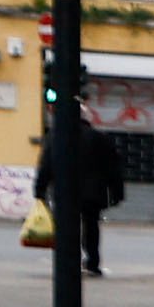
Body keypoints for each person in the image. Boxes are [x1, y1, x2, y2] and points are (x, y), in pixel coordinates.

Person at [34, 75, 120, 274]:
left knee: (66, 226)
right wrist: (116, 192)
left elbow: (46, 164)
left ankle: (68, 259)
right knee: (91, 227)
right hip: (92, 193)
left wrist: (39, 190)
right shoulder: (99, 138)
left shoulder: (56, 136)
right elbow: (112, 167)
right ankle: (92, 260)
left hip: (64, 191)